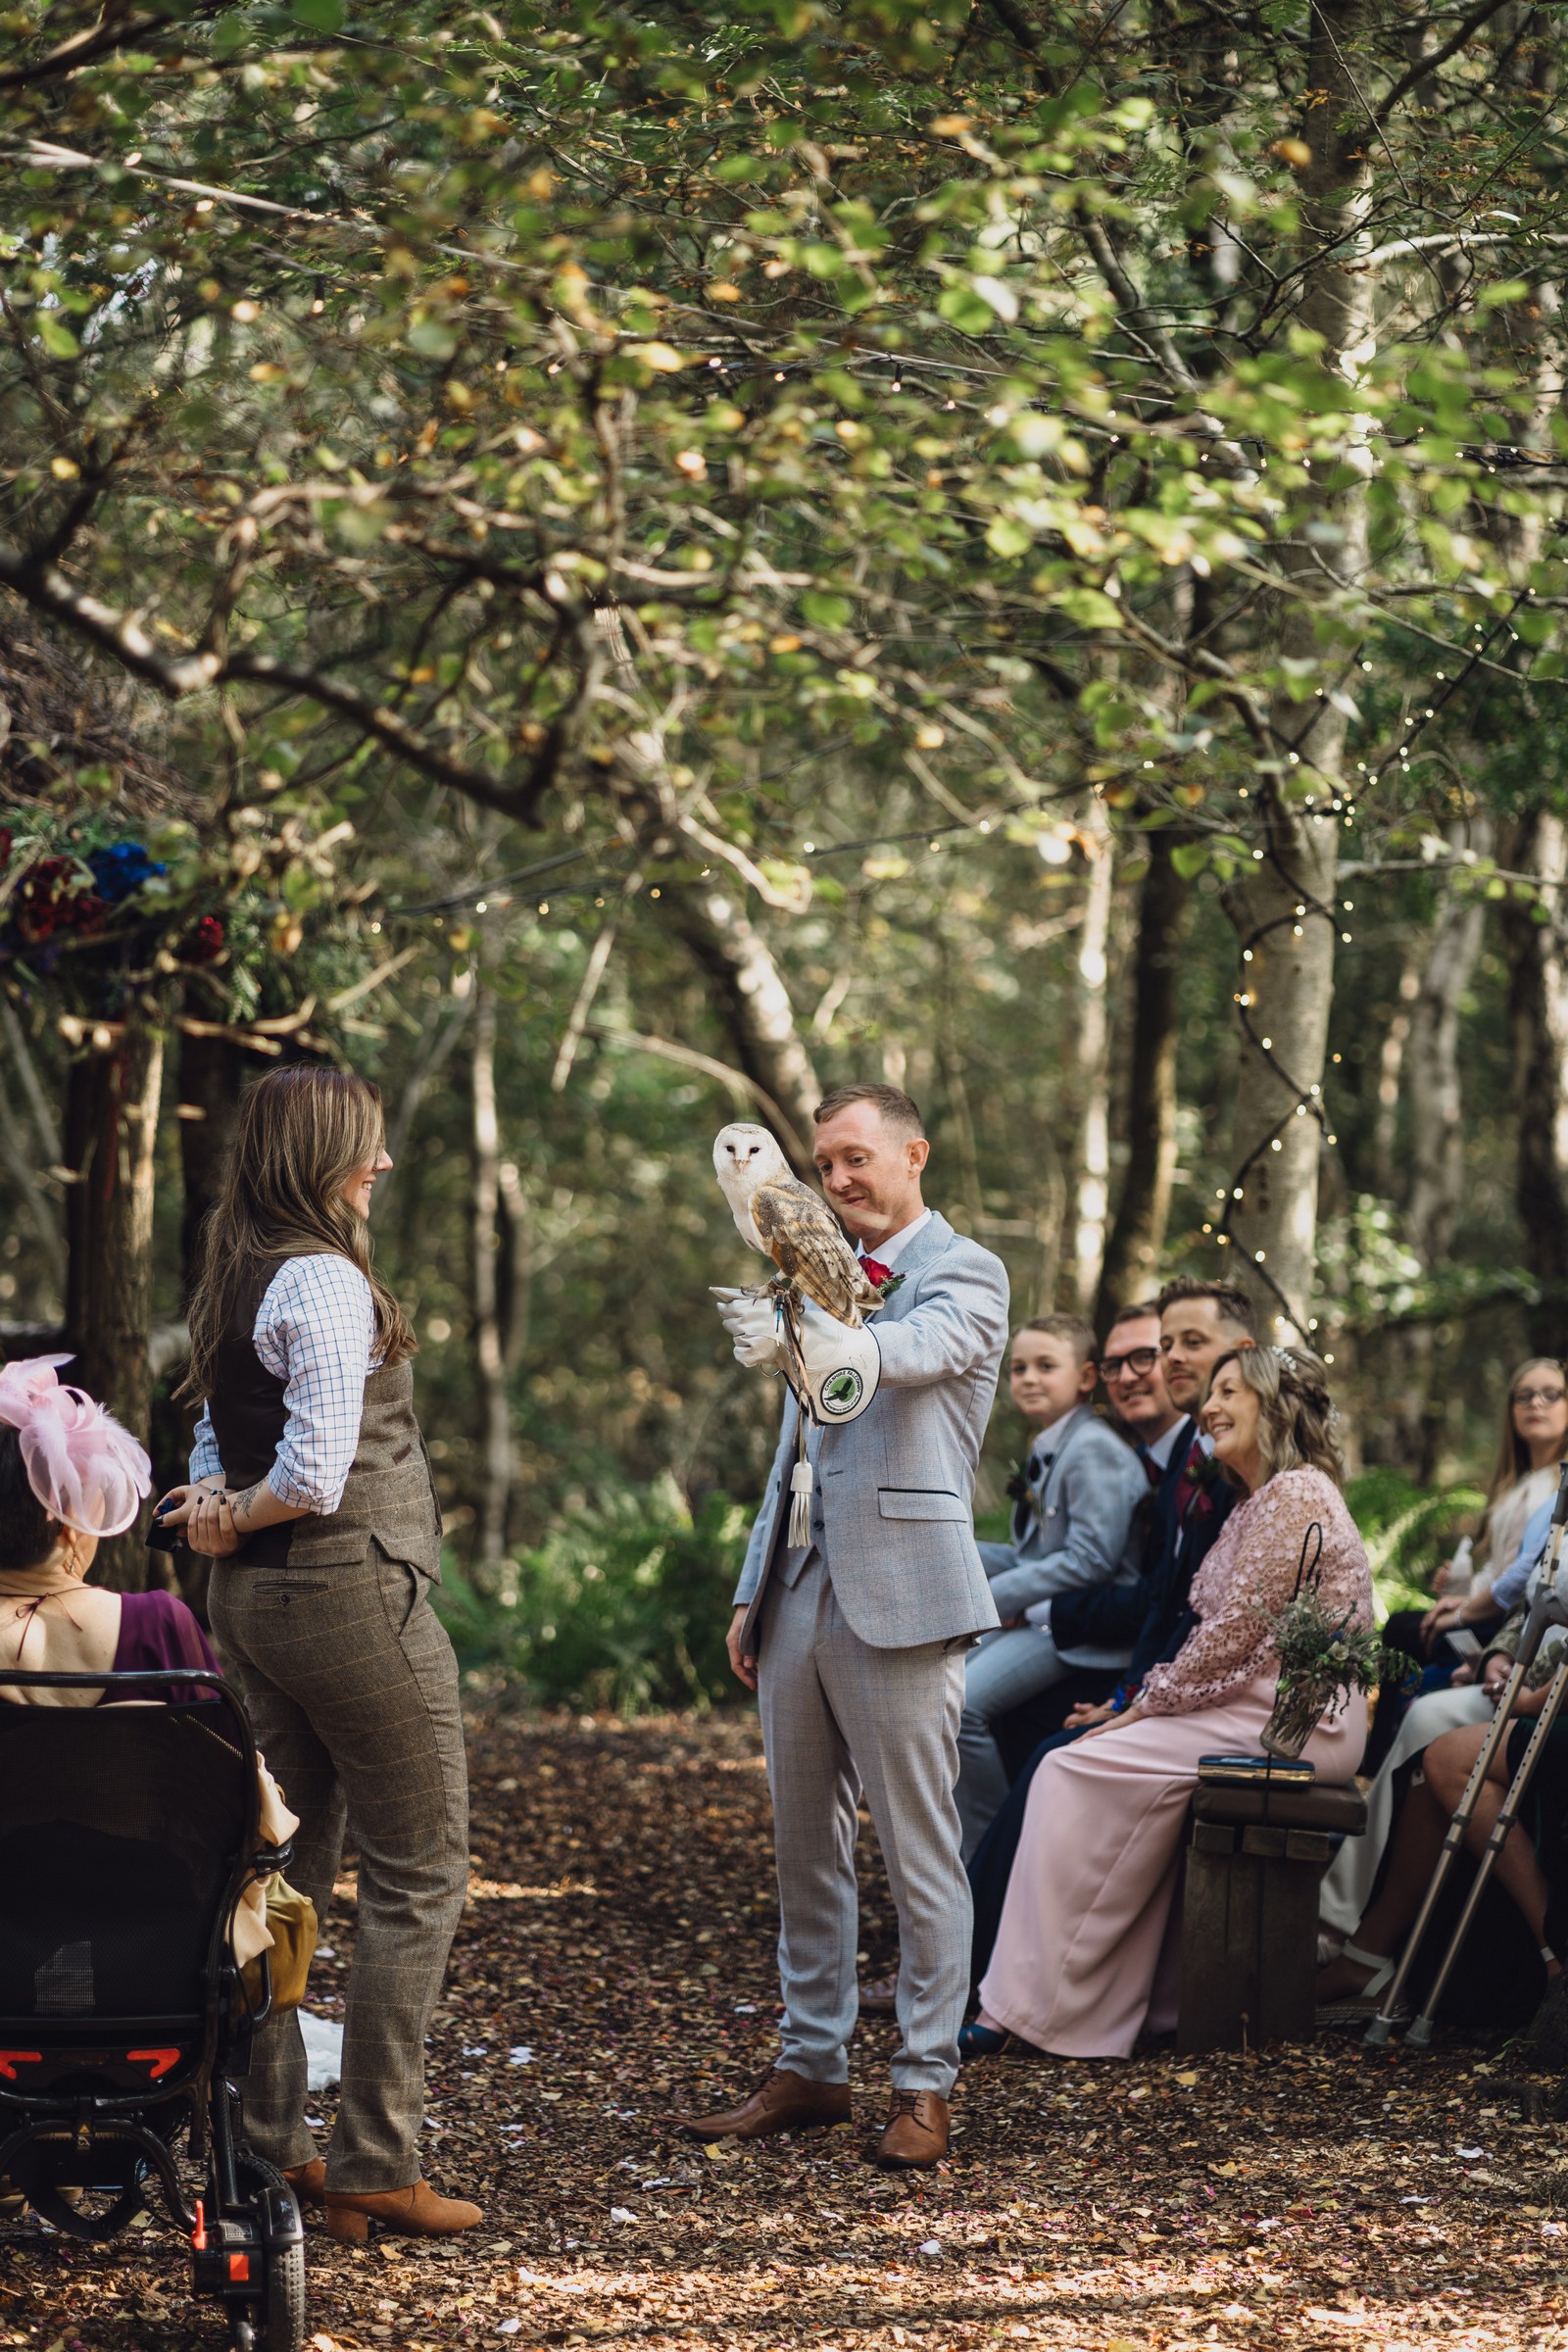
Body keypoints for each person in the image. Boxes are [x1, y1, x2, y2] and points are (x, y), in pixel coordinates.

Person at [155, 1064, 476, 2245]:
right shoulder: (326, 1283)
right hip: (349, 1600)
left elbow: (215, 1421)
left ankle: (272, 2146)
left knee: (285, 1872)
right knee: (421, 1867)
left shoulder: (238, 1270)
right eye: (368, 1146)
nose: (381, 1164)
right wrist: (234, 1507)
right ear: (322, 1157)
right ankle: (375, 2163)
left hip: (255, 1610)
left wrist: (210, 1504)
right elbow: (312, 1476)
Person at [674, 1083, 1008, 2169]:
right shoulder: (805, 1261)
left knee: (920, 1854)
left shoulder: (967, 1270)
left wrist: (819, 1333)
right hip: (798, 1585)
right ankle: (812, 2064)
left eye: (858, 1157)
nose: (839, 1179)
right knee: (801, 1851)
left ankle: (924, 2084)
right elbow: (796, 1444)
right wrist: (749, 1582)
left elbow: (907, 1358)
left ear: (915, 1152)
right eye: (825, 1163)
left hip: (905, 1589)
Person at [968, 1345, 1369, 2060]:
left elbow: (1232, 1637)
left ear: (1274, 1406)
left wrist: (1140, 1707)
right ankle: (1121, 2005)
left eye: (1229, 1392)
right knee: (1076, 1758)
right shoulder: (1255, 1502)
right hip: (1244, 1705)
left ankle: (1034, 2009)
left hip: (1297, 1720)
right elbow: (1220, 1644)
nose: (1209, 1407)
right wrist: (1145, 1705)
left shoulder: (1298, 1494)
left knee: (1070, 1770)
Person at [1321, 1358, 1568, 1939]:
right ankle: (1352, 1864)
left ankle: (1352, 1896)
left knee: (1420, 1671)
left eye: (1551, 1394)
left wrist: (1467, 1617)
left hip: (1534, 1665)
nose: (1536, 1404)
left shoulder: (1555, 1485)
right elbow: (1522, 1590)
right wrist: (1486, 1635)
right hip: (1510, 1643)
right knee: (1410, 1640)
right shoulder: (1517, 1486)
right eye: (1524, 1395)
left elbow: (1527, 1586)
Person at [954, 1314, 1146, 1858]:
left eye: (1045, 1366)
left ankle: (995, 1847)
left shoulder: (1095, 1450)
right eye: (1018, 1368)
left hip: (1083, 1630)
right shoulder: (1052, 1445)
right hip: (1042, 1616)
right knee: (940, 1688)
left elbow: (1091, 1560)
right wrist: (955, 1553)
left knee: (961, 1706)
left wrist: (996, 1596)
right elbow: (1036, 1553)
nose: (1028, 1379)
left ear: (1086, 1378)